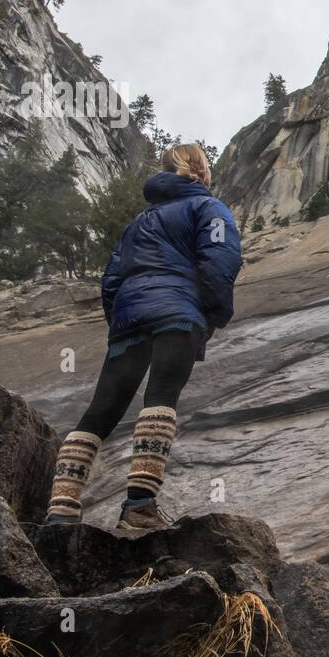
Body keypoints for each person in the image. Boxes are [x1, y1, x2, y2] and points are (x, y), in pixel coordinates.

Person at [44, 143, 242, 533]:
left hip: (129, 319)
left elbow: (112, 278)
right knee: (161, 397)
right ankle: (139, 506)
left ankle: (61, 509)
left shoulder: (139, 221)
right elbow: (220, 261)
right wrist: (215, 314)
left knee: (100, 410)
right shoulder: (208, 209)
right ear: (202, 171)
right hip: (177, 315)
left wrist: (121, 321)